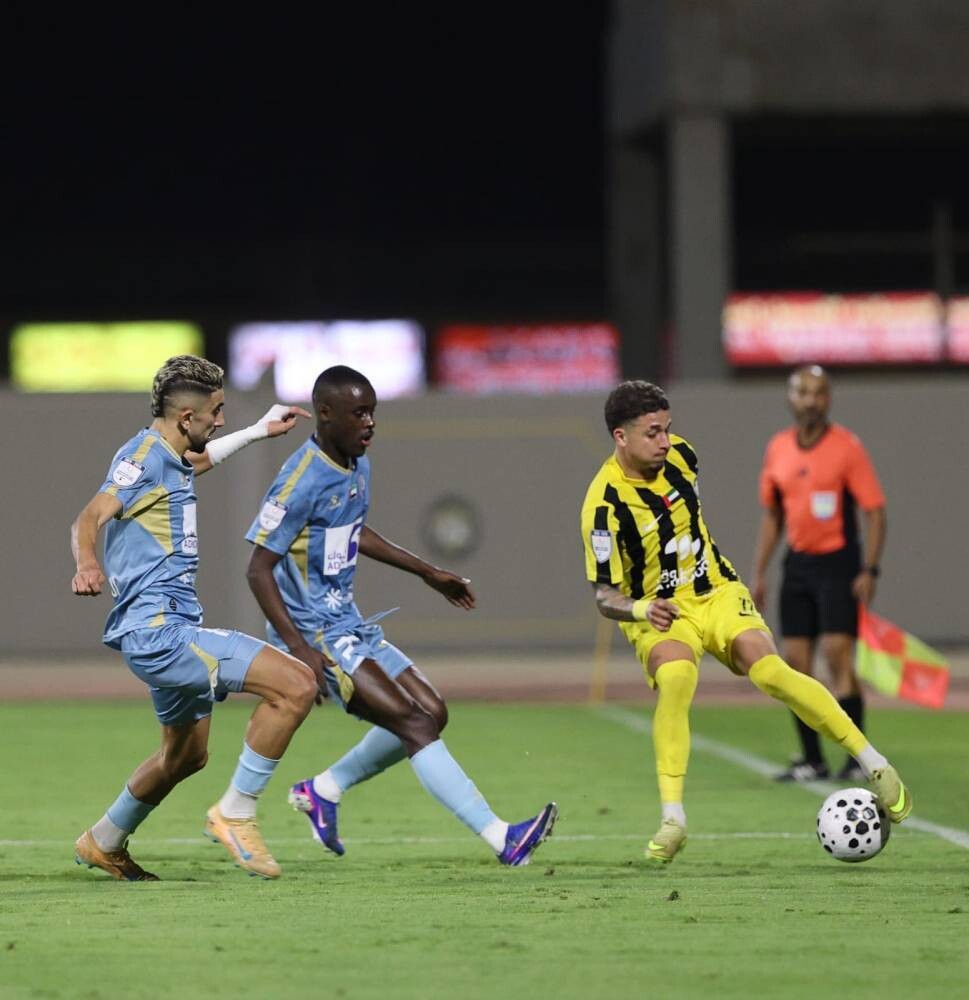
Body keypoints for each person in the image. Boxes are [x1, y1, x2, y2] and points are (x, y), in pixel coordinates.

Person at [579, 379, 910, 864]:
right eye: (653, 433)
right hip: (658, 609)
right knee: (676, 679)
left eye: (667, 429)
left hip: (715, 590)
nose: (666, 441)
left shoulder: (684, 457)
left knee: (772, 671)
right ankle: (673, 819)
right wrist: (642, 609)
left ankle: (875, 765)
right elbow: (604, 594)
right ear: (620, 436)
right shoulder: (603, 504)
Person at [245, 365, 557, 866]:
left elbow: (353, 530)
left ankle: (323, 789)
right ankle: (502, 838)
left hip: (347, 622)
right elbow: (258, 569)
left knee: (433, 712)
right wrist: (298, 648)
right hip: (314, 633)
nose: (369, 423)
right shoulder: (299, 479)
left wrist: (427, 572)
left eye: (372, 412)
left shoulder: (356, 463)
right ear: (325, 414)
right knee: (414, 723)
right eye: (358, 413)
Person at [70, 355, 318, 881]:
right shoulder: (141, 457)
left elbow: (195, 463)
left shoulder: (169, 455)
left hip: (165, 630)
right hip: (161, 633)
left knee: (185, 756)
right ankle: (236, 812)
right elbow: (89, 516)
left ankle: (103, 841)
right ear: (187, 417)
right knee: (297, 685)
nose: (221, 420)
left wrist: (258, 431)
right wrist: (87, 563)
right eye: (217, 411)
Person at [750, 365, 886, 783]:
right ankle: (813, 759)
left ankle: (859, 760)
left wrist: (870, 569)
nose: (811, 400)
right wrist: (759, 573)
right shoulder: (778, 447)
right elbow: (773, 515)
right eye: (803, 392)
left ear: (828, 399)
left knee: (837, 656)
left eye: (819, 392)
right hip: (798, 565)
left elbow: (875, 511)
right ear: (791, 398)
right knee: (795, 664)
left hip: (838, 563)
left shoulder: (847, 447)